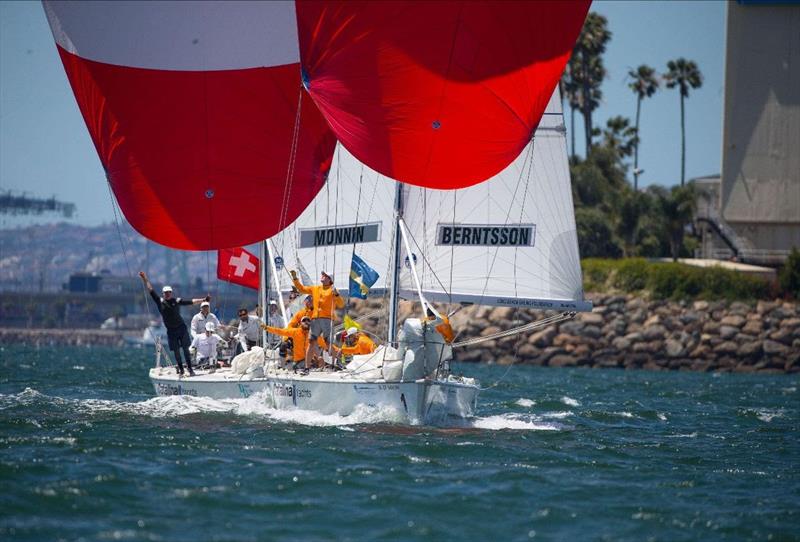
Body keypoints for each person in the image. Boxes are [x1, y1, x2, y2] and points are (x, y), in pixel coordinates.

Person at [139, 271, 208, 376]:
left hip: (181, 328)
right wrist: (145, 278)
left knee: (185, 349)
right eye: (165, 293)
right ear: (163, 294)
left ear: (171, 293)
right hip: (171, 331)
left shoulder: (177, 301)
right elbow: (150, 289)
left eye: (169, 292)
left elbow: (191, 302)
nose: (167, 294)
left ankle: (190, 368)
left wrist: (203, 300)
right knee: (176, 351)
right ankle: (181, 369)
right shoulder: (159, 301)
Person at [291, 270, 344, 368]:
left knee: (328, 343)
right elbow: (301, 289)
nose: (322, 276)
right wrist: (295, 278)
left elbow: (341, 304)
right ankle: (306, 368)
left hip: (327, 319)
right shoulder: (315, 288)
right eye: (322, 274)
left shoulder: (333, 290)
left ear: (329, 279)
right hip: (315, 319)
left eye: (325, 275)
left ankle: (337, 362)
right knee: (311, 343)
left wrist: (336, 294)